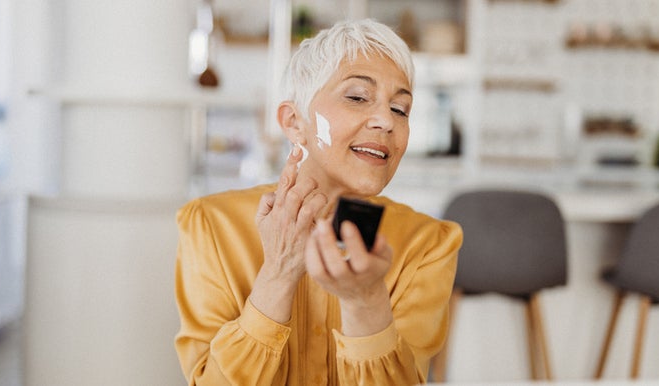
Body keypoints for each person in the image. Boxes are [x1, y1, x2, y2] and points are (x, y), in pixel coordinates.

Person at [174, 18, 462, 386]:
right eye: (357, 97)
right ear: (294, 122)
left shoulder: (429, 244)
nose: (385, 121)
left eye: (400, 109)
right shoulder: (210, 225)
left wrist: (366, 302)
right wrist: (277, 273)